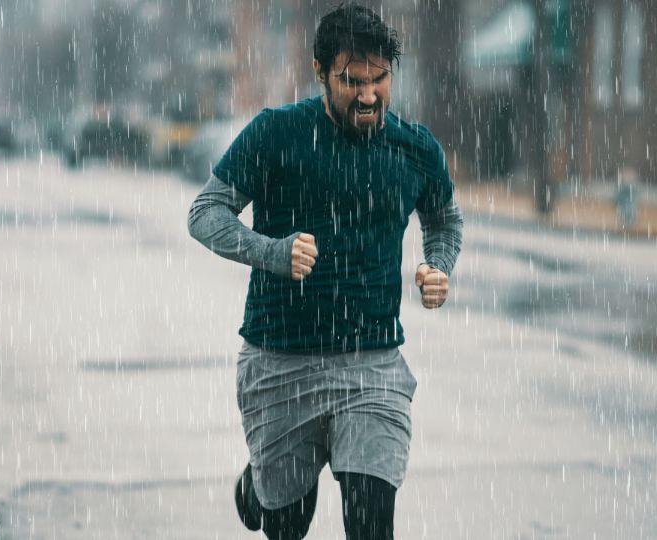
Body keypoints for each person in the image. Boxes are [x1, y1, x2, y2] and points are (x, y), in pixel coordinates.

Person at [187, 4, 462, 539]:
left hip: (372, 366)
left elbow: (444, 221)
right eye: (351, 80)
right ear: (319, 71)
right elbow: (206, 213)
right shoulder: (276, 133)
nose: (367, 95)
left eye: (379, 79)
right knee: (287, 523)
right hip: (281, 361)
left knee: (370, 520)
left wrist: (438, 264)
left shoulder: (415, 148)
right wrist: (272, 251)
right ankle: (259, 486)